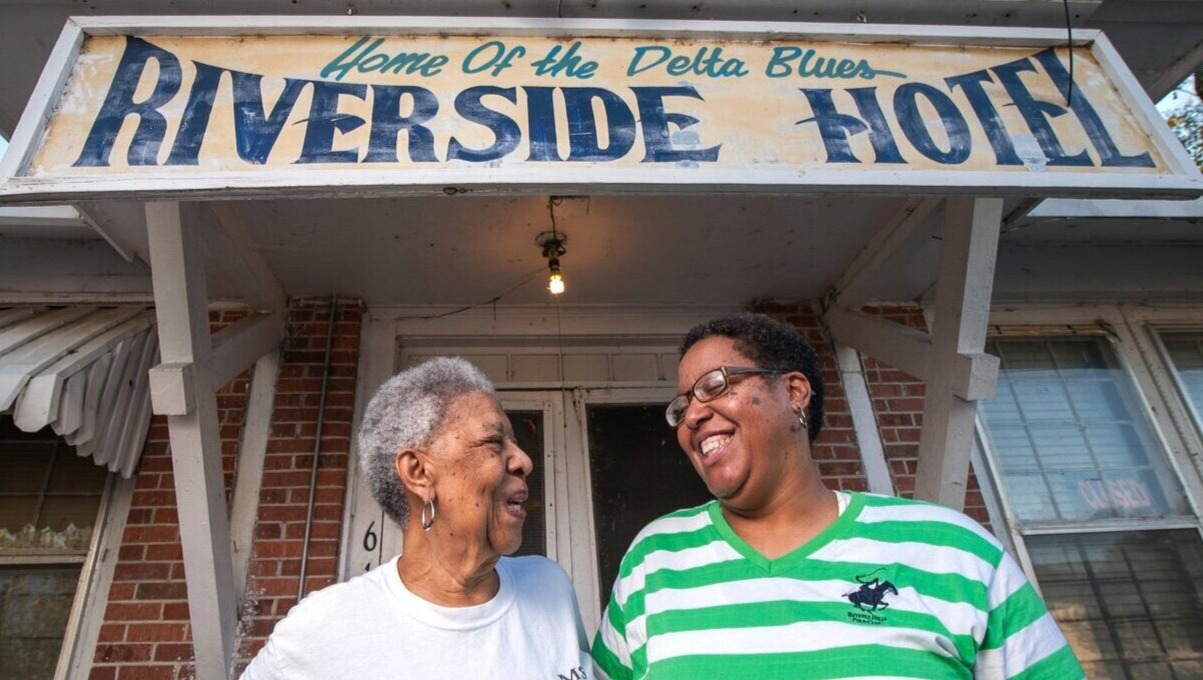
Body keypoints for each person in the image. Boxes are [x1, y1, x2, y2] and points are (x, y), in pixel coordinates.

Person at [590, 314, 1083, 679]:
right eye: (682, 405)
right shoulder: (655, 559)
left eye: (714, 385)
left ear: (795, 392)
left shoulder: (950, 549)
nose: (693, 414)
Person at [242, 357, 590, 680]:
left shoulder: (550, 586)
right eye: (494, 441)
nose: (524, 461)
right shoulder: (324, 630)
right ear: (419, 472)